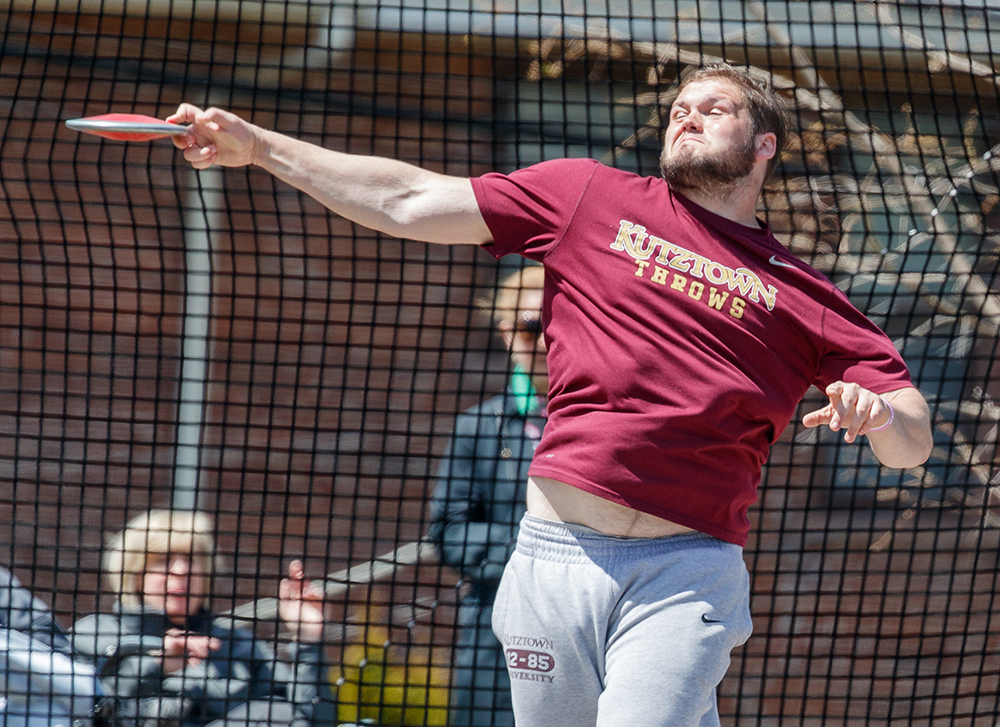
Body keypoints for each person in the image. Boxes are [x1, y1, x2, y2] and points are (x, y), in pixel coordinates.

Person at [167, 62, 934, 727]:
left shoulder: (798, 292)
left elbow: (911, 437)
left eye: (714, 108)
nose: (687, 116)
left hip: (684, 573)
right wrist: (260, 147)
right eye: (678, 109)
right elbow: (408, 197)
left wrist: (880, 416)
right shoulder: (587, 196)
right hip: (553, 558)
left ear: (764, 144)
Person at [70, 510, 339, 727]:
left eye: (192, 560)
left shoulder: (239, 646)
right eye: (164, 560)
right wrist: (157, 666)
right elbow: (90, 711)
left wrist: (308, 640)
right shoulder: (93, 635)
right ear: (135, 574)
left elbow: (313, 721)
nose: (182, 571)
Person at [427, 265, 547, 727]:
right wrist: (533, 553)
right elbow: (449, 531)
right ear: (506, 332)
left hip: (586, 627)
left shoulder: (604, 422)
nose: (545, 340)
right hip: (496, 631)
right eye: (531, 326)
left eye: (558, 324)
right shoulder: (478, 427)